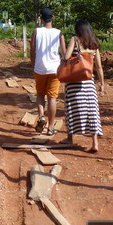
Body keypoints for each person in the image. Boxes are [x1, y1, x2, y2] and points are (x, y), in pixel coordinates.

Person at [58, 18, 105, 153]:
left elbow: (67, 56)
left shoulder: (75, 40)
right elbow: (99, 67)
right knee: (92, 111)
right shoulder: (94, 44)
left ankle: (70, 138)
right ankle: (94, 142)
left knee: (71, 109)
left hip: (74, 82)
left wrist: (64, 54)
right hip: (88, 82)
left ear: (77, 30)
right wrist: (102, 84)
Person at [30, 8, 65, 136]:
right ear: (53, 17)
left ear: (41, 19)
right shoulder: (59, 33)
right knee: (52, 97)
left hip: (39, 68)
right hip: (55, 69)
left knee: (40, 94)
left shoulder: (36, 31)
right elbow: (64, 53)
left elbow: (32, 50)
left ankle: (41, 117)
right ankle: (50, 127)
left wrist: (33, 65)